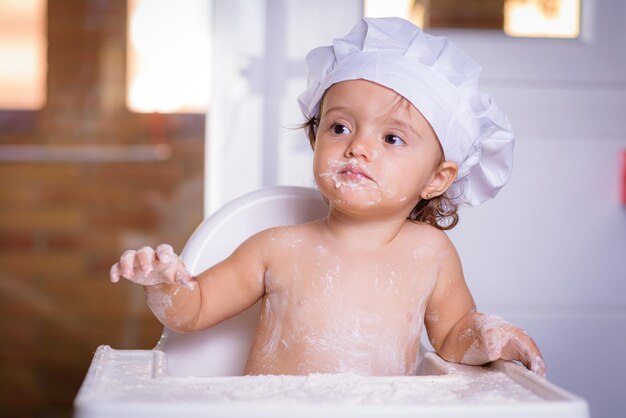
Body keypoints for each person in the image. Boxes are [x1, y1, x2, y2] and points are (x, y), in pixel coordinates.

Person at [110, 17, 545, 377]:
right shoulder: (277, 248)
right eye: (339, 127)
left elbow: (452, 337)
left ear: (437, 178)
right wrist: (166, 285)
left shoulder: (430, 255)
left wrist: (487, 335)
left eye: (392, 138)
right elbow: (194, 311)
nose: (357, 146)